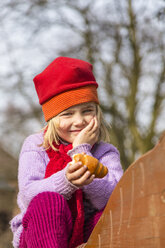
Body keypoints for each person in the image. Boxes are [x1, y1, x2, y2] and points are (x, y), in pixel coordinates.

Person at [10, 57, 123, 248]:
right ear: (52, 118)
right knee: (48, 201)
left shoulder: (105, 152)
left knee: (112, 213)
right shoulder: (36, 145)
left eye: (87, 110)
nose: (79, 121)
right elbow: (29, 194)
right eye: (68, 114)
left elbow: (111, 197)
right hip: (41, 234)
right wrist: (67, 181)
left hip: (86, 234)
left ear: (97, 112)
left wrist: (81, 151)